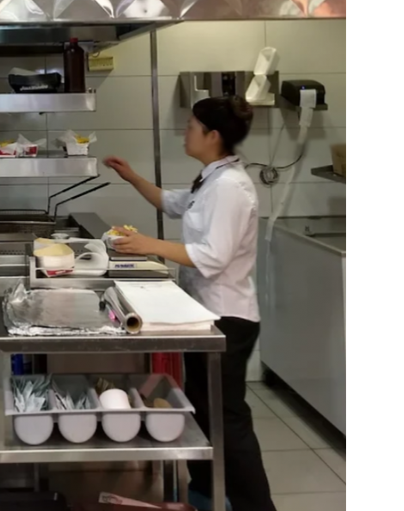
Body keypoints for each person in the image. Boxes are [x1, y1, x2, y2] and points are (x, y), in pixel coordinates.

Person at [104, 96, 276, 511]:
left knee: (228, 419)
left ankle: (256, 505)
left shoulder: (231, 188)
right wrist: (132, 177)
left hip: (228, 318)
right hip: (205, 314)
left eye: (191, 126)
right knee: (203, 410)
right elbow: (172, 203)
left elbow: (213, 257)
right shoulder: (212, 179)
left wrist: (148, 245)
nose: (185, 132)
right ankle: (205, 495)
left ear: (212, 135)